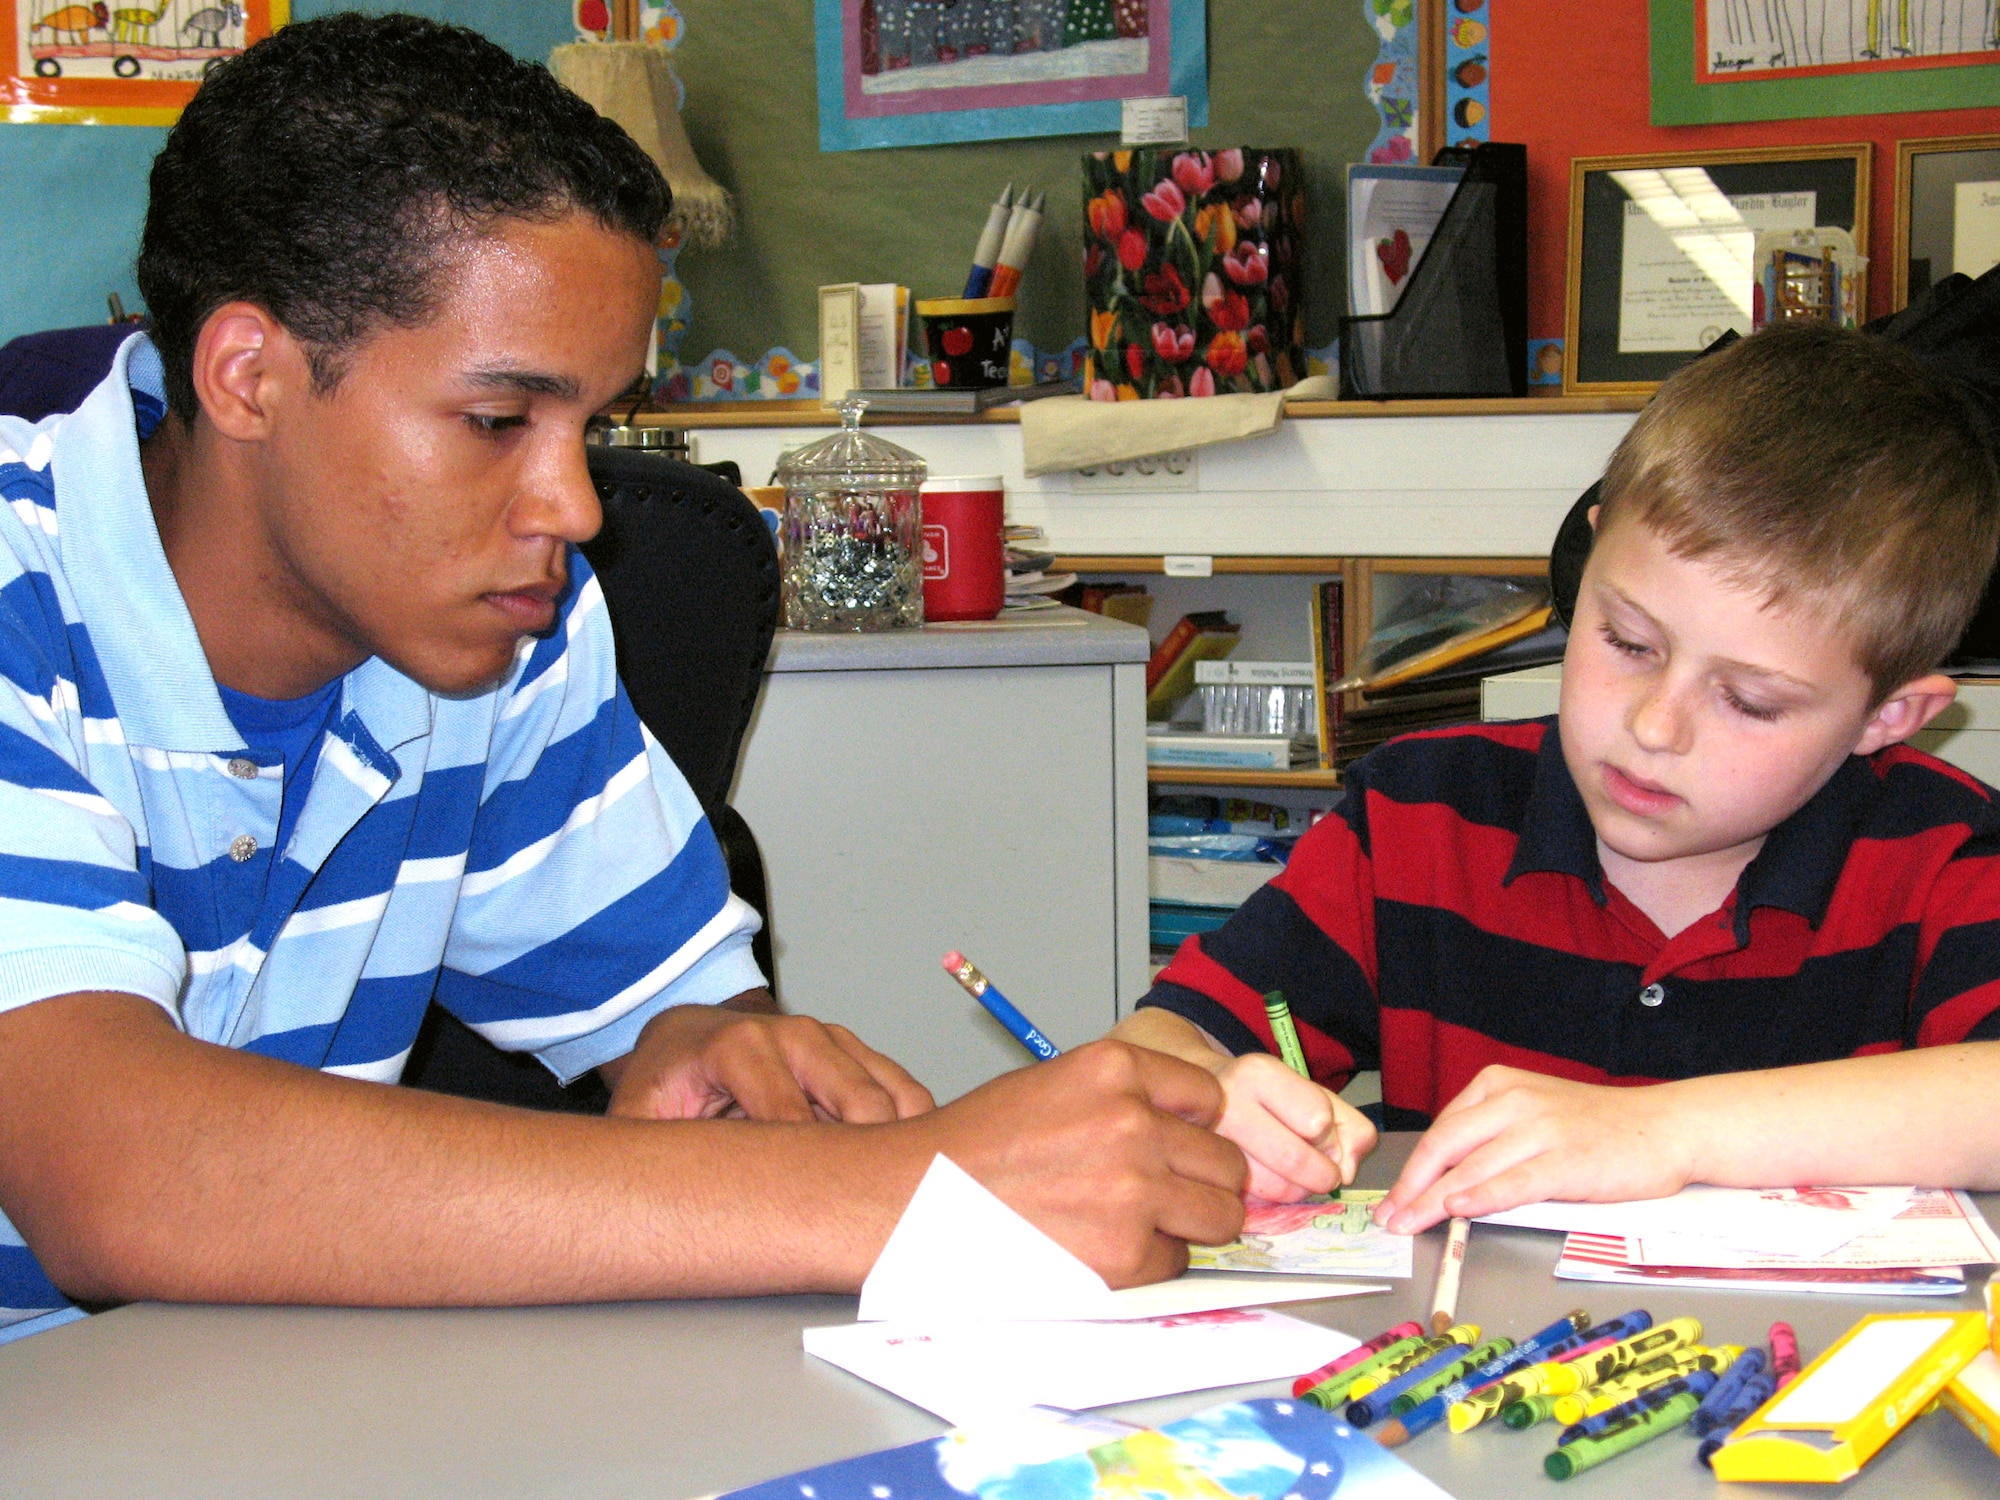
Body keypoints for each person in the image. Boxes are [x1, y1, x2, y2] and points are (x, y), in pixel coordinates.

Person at [0, 13, 1246, 1332]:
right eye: (496, 421)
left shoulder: (498, 621)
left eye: (594, 427)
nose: (574, 507)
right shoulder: (28, 597)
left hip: (231, 1397)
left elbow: (668, 1013)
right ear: (249, 376)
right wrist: (895, 1193)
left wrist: (708, 1045)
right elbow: (117, 1178)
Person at [1112, 321, 2000, 1234]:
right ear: (1594, 551)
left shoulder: (1943, 855)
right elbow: (1155, 1051)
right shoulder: (1420, 815)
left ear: (1888, 717)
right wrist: (1217, 1096)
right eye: (1627, 642)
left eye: (1751, 701)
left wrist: (1658, 1133)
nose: (1655, 727)